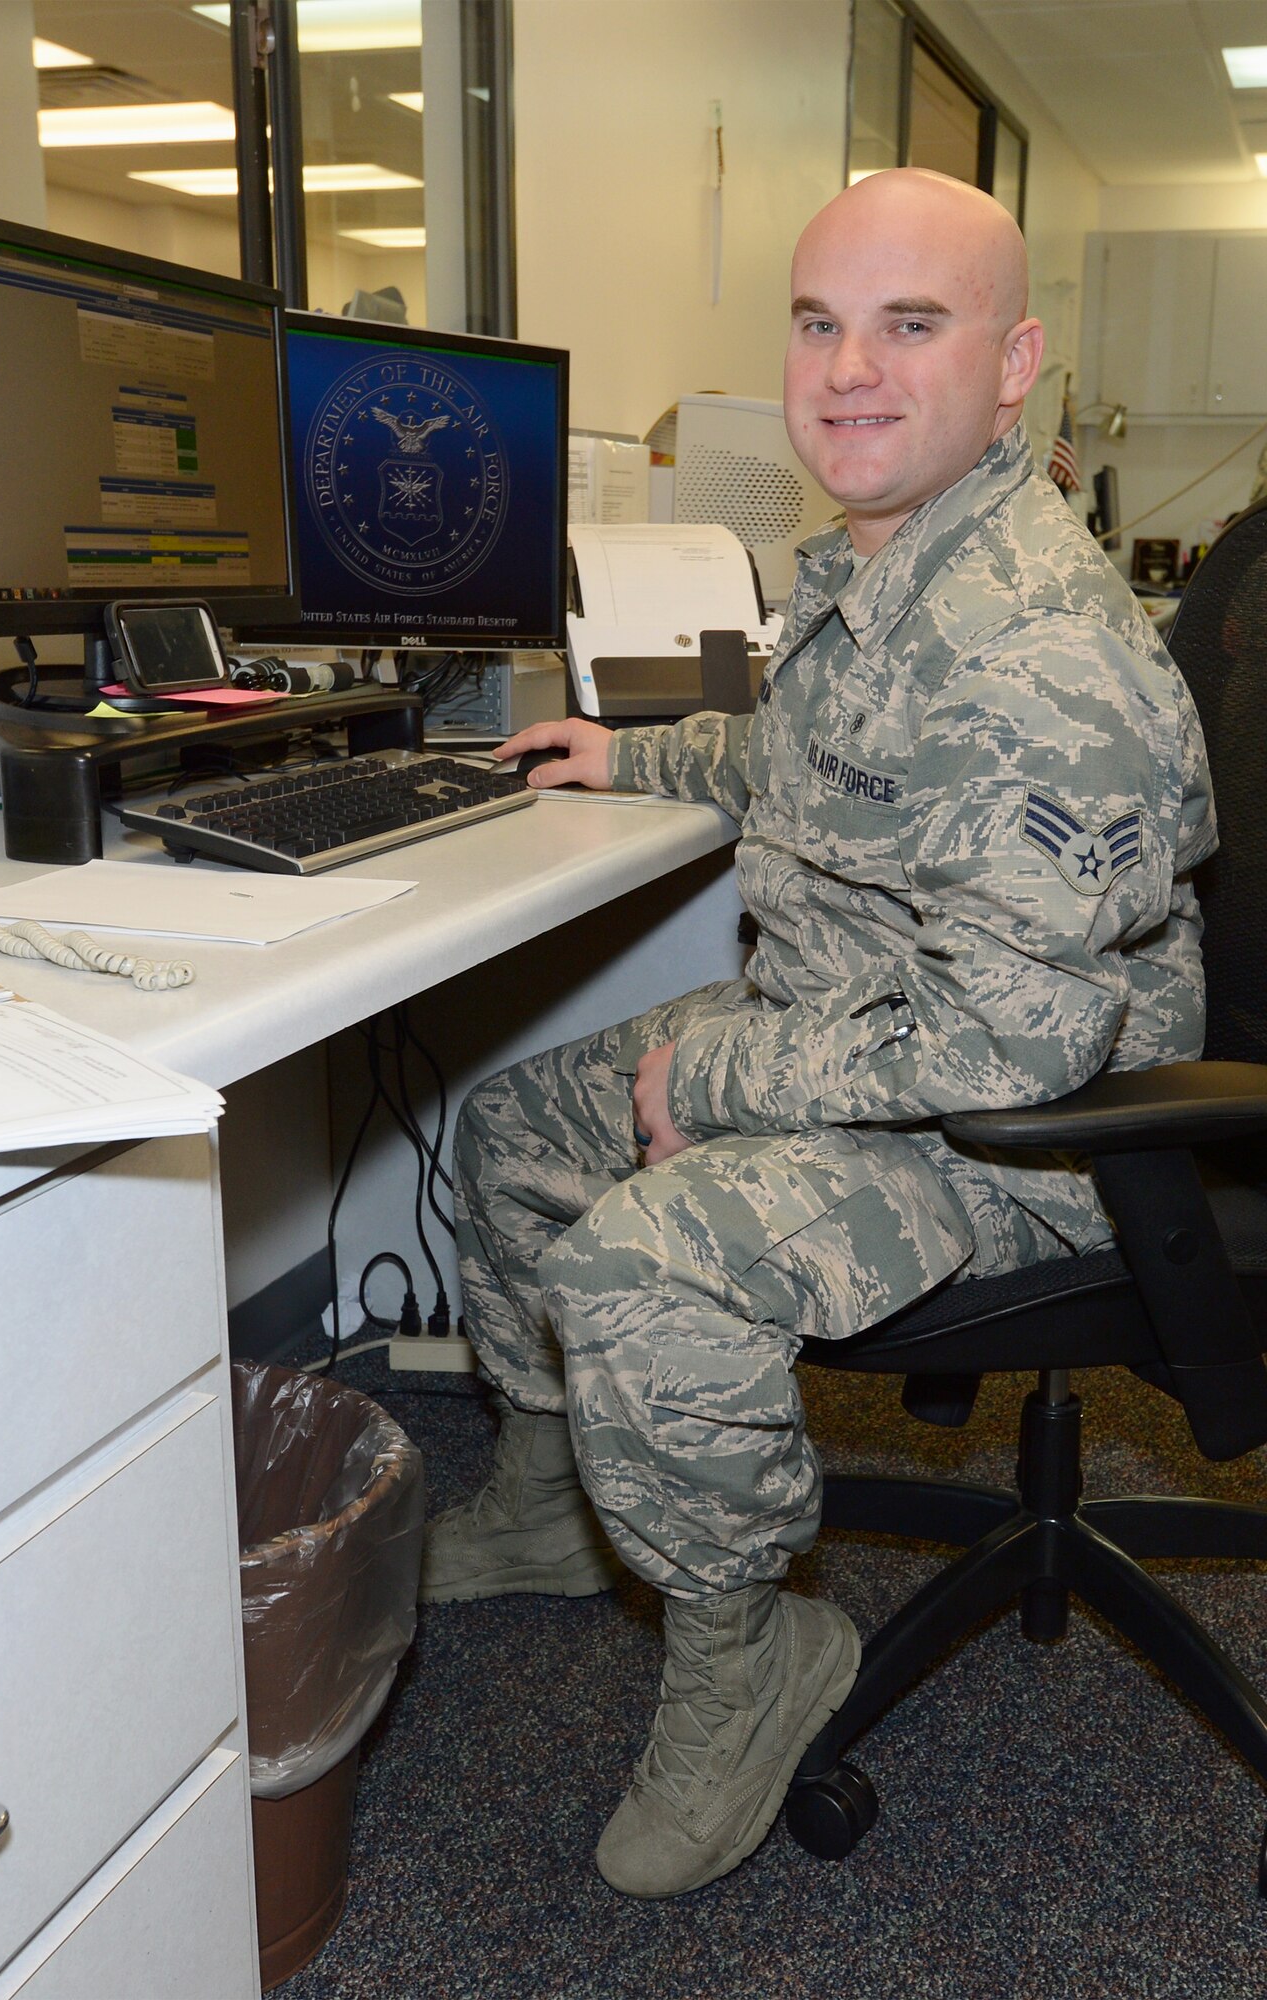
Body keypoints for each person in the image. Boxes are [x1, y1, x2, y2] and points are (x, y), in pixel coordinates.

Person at [421, 168, 1217, 1901]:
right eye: (819, 321)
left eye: (910, 325)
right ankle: (555, 1505)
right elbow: (818, 766)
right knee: (511, 1130)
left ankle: (748, 1654)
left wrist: (710, 1075)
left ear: (1014, 368)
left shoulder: (1040, 651)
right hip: (859, 1030)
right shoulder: (890, 565)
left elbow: (1005, 1044)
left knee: (644, 1263)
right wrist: (632, 752)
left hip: (1032, 1128)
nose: (849, 368)